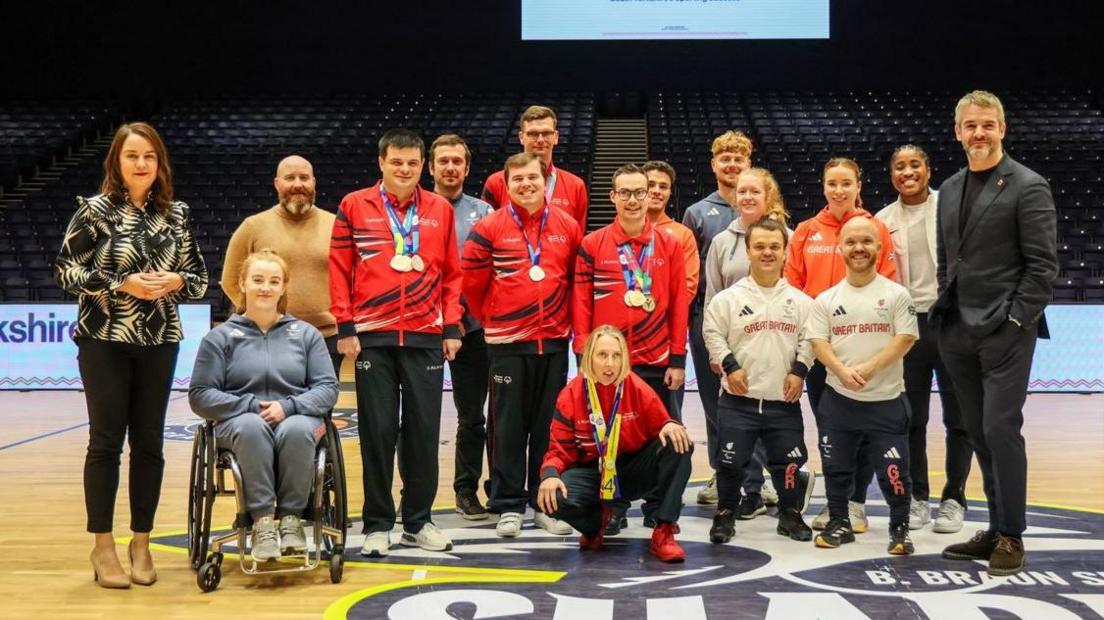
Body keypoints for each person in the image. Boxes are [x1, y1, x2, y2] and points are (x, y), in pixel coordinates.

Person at [55, 122, 208, 588]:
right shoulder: (94, 211)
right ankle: (102, 546)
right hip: (103, 338)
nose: (141, 164)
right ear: (116, 163)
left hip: (160, 340)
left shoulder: (176, 215)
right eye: (131, 156)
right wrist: (122, 283)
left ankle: (141, 542)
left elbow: (200, 279)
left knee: (150, 445)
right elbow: (65, 271)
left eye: (149, 156)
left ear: (159, 164)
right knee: (105, 443)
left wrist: (176, 282)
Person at [933, 90, 1058, 576]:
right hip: (956, 330)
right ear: (957, 131)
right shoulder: (950, 186)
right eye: (970, 125)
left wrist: (1015, 322)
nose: (979, 133)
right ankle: (995, 524)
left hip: (1005, 331)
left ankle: (1012, 536)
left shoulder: (1028, 185)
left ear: (1002, 129)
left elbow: (1043, 267)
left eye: (988, 124)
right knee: (978, 433)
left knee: (1001, 429)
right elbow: (950, 260)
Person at [329, 129, 464, 557]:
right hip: (373, 336)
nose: (404, 170)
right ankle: (377, 524)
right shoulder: (354, 205)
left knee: (423, 433)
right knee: (378, 432)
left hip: (425, 334)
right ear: (381, 162)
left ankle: (418, 522)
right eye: (396, 162)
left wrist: (452, 327)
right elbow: (339, 267)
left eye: (411, 163)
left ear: (422, 166)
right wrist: (346, 326)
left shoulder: (439, 208)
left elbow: (452, 274)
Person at [190, 250, 339, 562]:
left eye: (273, 281)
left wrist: (289, 406)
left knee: (298, 430)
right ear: (242, 284)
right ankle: (262, 523)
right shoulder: (219, 338)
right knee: (252, 426)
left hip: (296, 416)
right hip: (240, 421)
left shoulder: (307, 335)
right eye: (257, 280)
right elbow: (201, 395)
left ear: (284, 288)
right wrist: (247, 404)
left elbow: (327, 389)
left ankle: (291, 521)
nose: (265, 288)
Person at [462, 152, 583, 537]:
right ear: (506, 183)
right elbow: (472, 286)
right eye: (518, 180)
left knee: (549, 426)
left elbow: (573, 282)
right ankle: (508, 504)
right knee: (508, 426)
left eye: (533, 178)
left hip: (552, 343)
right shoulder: (489, 227)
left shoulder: (566, 225)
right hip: (506, 343)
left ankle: (544, 505)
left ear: (545, 180)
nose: (526, 185)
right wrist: (498, 319)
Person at [573, 163, 689, 535]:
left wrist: (677, 358)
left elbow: (678, 304)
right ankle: (615, 505)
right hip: (609, 364)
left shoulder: (669, 244)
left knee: (663, 434)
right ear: (613, 197)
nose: (634, 199)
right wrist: (583, 356)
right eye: (625, 192)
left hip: (656, 359)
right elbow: (581, 304)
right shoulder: (593, 244)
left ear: (650, 195)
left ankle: (659, 507)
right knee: (610, 436)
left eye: (641, 192)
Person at [785, 157, 898, 531]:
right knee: (832, 428)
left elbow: (891, 287)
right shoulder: (805, 231)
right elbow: (793, 289)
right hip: (821, 351)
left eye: (846, 183)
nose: (838, 190)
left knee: (864, 429)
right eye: (832, 183)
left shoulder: (875, 228)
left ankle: (856, 502)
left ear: (858, 185)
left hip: (865, 351)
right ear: (823, 186)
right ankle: (838, 500)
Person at [806, 217, 918, 556]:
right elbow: (817, 341)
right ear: (840, 247)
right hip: (840, 401)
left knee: (894, 471)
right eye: (851, 242)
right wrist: (839, 370)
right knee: (836, 469)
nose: (859, 248)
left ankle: (899, 528)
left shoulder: (896, 294)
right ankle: (840, 521)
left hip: (886, 401)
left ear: (880, 248)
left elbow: (906, 338)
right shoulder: (826, 299)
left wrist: (869, 368)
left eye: (866, 242)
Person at [875, 145, 973, 533]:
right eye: (900, 166)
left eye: (915, 164)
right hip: (907, 327)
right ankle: (917, 498)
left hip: (950, 320)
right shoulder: (883, 219)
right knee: (911, 419)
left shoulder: (950, 206)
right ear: (892, 174)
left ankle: (954, 498)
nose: (908, 172)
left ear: (929, 170)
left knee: (959, 418)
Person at [537, 326, 694, 563]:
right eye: (602, 355)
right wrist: (549, 475)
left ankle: (664, 531)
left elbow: (662, 424)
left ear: (624, 359)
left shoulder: (636, 387)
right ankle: (594, 525)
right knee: (552, 497)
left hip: (631, 473)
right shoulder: (570, 395)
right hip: (594, 474)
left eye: (616, 355)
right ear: (589, 357)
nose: (610, 364)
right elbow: (558, 451)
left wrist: (671, 424)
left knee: (679, 442)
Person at [702, 218, 815, 544]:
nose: (767, 253)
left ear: (784, 252)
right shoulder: (727, 299)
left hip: (784, 401)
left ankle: (790, 515)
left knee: (790, 461)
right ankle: (725, 513)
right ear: (748, 251)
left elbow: (810, 341)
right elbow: (712, 333)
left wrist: (800, 370)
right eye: (760, 247)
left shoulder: (801, 302)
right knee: (730, 461)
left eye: (774, 247)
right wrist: (729, 365)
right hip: (738, 401)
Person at [681, 130, 754, 506]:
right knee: (715, 403)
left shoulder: (763, 210)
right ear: (713, 164)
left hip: (755, 322)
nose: (731, 163)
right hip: (707, 319)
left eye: (738, 157)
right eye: (724, 157)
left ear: (748, 163)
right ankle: (720, 472)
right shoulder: (697, 212)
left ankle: (758, 479)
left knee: (756, 398)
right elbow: (690, 275)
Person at [220, 155, 340, 375]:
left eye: (304, 177)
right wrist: (258, 316)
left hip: (326, 339)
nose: (297, 184)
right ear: (277, 183)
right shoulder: (253, 226)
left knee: (320, 408)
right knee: (269, 407)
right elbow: (230, 280)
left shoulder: (336, 225)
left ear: (314, 182)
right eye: (290, 177)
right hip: (268, 336)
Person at [429, 134, 495, 520]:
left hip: (471, 329)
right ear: (431, 167)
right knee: (416, 419)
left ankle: (466, 491)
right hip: (423, 326)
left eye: (457, 161)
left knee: (473, 416)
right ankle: (414, 494)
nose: (450, 167)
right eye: (443, 161)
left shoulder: (484, 212)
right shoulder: (413, 209)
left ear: (467, 168)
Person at [481, 105, 589, 229]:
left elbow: (577, 239)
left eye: (547, 133)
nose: (540, 140)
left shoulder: (576, 186)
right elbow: (486, 233)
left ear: (556, 137)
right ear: (521, 137)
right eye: (533, 134)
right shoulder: (496, 182)